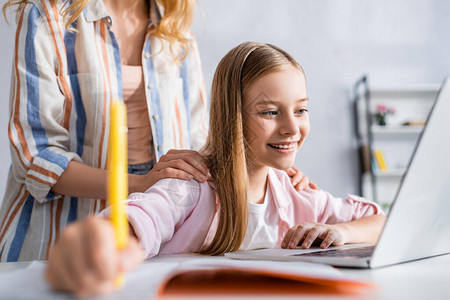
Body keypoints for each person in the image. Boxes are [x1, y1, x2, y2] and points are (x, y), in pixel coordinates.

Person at [45, 41, 386, 297]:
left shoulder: (294, 193)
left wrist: (341, 233)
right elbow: (136, 222)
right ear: (232, 115)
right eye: (270, 112)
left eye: (300, 110)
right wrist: (101, 243)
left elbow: (380, 220)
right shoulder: (191, 186)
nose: (292, 128)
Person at [0, 0, 311, 262]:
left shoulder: (175, 28)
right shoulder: (49, 15)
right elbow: (36, 156)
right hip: (54, 237)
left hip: (157, 226)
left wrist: (273, 172)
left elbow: (201, 138)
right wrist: (141, 184)